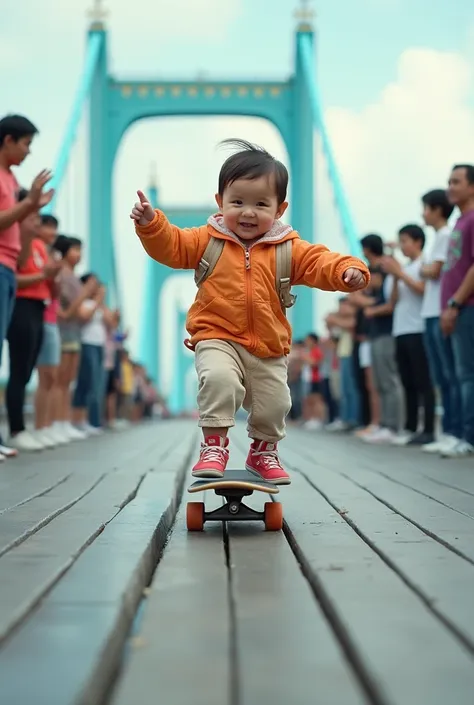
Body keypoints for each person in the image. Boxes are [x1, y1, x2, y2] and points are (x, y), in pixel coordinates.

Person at [130, 139, 370, 484]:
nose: (248, 212)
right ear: (219, 202)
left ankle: (262, 452)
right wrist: (152, 224)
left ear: (280, 208)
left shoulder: (289, 249)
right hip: (217, 335)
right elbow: (172, 246)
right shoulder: (205, 240)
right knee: (218, 379)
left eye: (261, 204)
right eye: (237, 202)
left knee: (275, 404)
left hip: (268, 346)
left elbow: (321, 262)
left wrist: (348, 269)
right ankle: (214, 445)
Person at [0, 114, 54, 458]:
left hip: (7, 268)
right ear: (8, 140)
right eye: (26, 144)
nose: (28, 152)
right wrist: (29, 205)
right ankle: (15, 429)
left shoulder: (10, 178)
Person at [6, 189, 62, 452]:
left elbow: (51, 287)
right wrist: (43, 276)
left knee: (27, 371)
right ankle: (16, 428)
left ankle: (23, 429)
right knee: (19, 370)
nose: (37, 221)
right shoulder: (19, 240)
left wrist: (52, 276)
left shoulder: (42, 248)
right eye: (33, 215)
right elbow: (16, 275)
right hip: (23, 306)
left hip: (39, 307)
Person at [382, 225, 436, 446]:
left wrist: (400, 273)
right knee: (407, 381)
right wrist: (396, 276)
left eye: (405, 241)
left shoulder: (424, 264)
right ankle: (411, 427)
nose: (402, 245)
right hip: (401, 330)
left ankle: (429, 429)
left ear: (418, 242)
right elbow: (393, 301)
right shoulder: (404, 270)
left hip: (417, 329)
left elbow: (424, 290)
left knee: (423, 381)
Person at [419, 189, 460, 454]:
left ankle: (454, 431)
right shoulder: (438, 238)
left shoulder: (445, 236)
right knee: (442, 376)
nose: (423, 213)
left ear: (437, 209)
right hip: (430, 312)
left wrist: (422, 268)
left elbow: (433, 271)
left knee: (450, 375)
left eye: (426, 208)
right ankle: (447, 430)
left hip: (438, 311)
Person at [439, 164, 474, 458]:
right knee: (457, 374)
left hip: (466, 308)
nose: (450, 186)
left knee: (466, 375)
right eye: (449, 181)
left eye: (456, 181)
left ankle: (468, 436)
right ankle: (459, 432)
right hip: (456, 311)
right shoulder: (460, 223)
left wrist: (454, 303)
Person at [358, 234, 403, 444]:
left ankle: (393, 426)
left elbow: (391, 303)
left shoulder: (389, 276)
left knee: (389, 381)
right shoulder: (379, 285)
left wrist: (373, 310)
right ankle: (385, 424)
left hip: (386, 333)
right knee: (380, 382)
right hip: (376, 334)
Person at [52, 236, 96, 441]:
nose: (78, 254)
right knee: (59, 380)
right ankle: (55, 423)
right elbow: (72, 311)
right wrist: (87, 293)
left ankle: (63, 422)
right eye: (74, 249)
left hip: (73, 332)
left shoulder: (72, 276)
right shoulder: (63, 274)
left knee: (67, 380)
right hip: (64, 331)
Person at [34, 215, 69, 446]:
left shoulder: (50, 255)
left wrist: (55, 274)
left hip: (50, 319)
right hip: (41, 316)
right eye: (49, 228)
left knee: (52, 377)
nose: (52, 234)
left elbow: (54, 292)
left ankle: (47, 426)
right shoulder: (32, 248)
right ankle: (39, 427)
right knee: (45, 376)